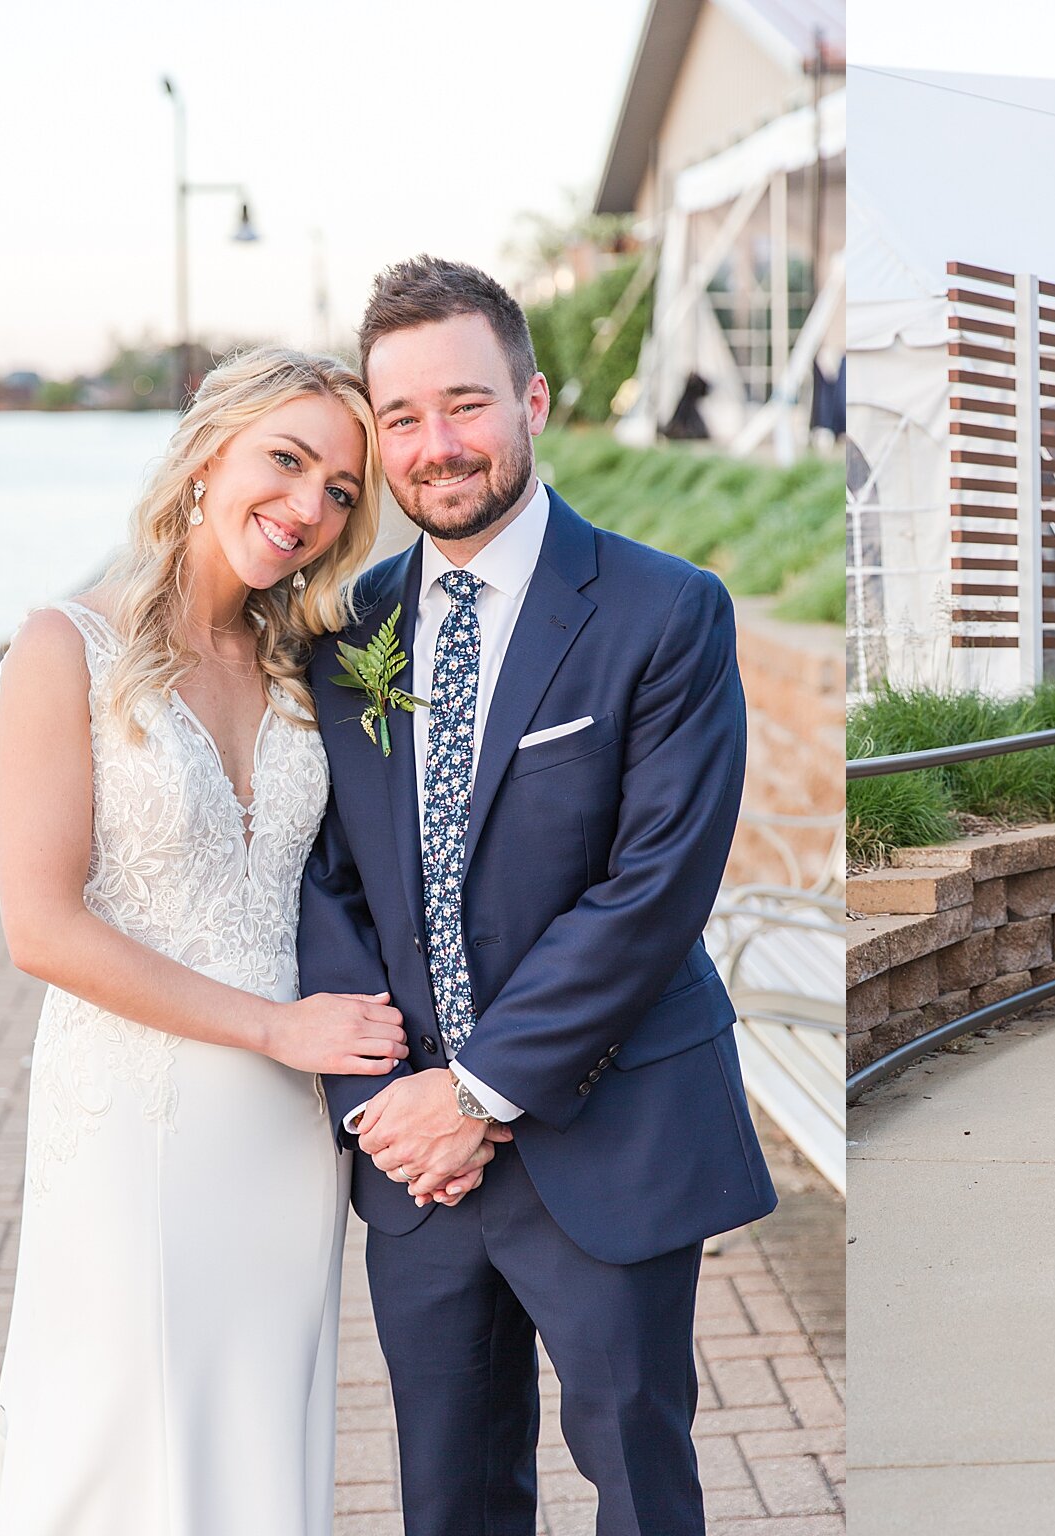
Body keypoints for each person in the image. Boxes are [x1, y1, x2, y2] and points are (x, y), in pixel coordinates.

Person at [0, 348, 403, 1533]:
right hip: (133, 1110)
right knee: (114, 1433)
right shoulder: (62, 647)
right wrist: (273, 1025)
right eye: (286, 461)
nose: (308, 508)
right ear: (207, 455)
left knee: (257, 1430)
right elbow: (38, 926)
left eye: (342, 490)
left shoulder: (305, 667)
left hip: (287, 1134)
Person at [299, 255, 777, 1536]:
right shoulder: (348, 636)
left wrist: (479, 1093)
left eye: (465, 404)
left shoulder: (663, 611)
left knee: (638, 1487)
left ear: (534, 400)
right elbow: (323, 879)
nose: (436, 445)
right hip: (415, 1163)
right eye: (400, 418)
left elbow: (653, 889)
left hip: (606, 1128)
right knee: (448, 1502)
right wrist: (382, 1110)